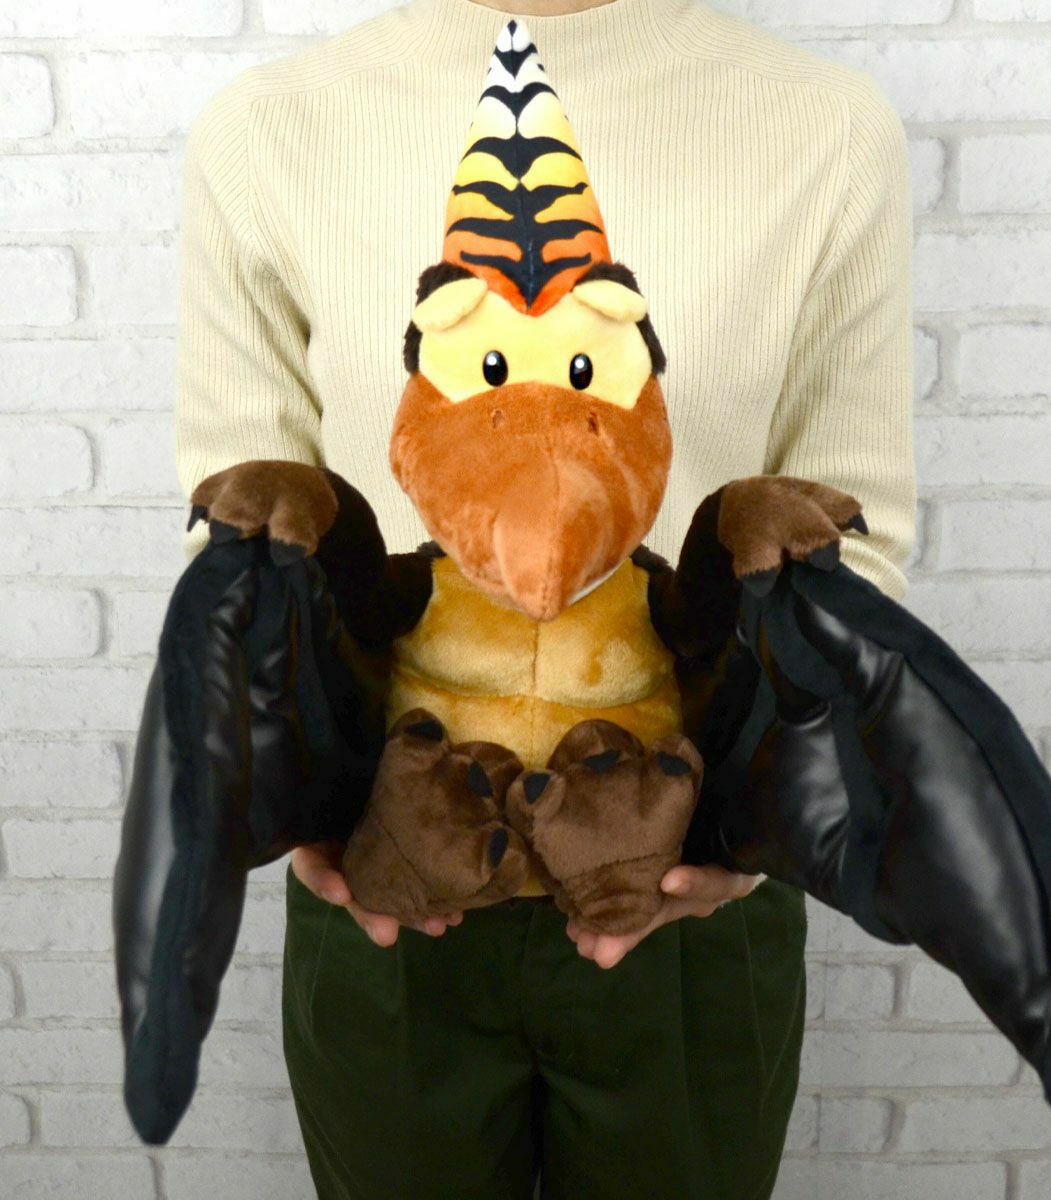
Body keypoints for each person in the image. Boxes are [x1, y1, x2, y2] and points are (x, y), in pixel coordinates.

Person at [173, 0, 915, 1194]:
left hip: (685, 876)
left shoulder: (822, 127)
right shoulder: (269, 129)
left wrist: (758, 804)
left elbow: (854, 532)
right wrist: (287, 774)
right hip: (389, 867)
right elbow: (242, 522)